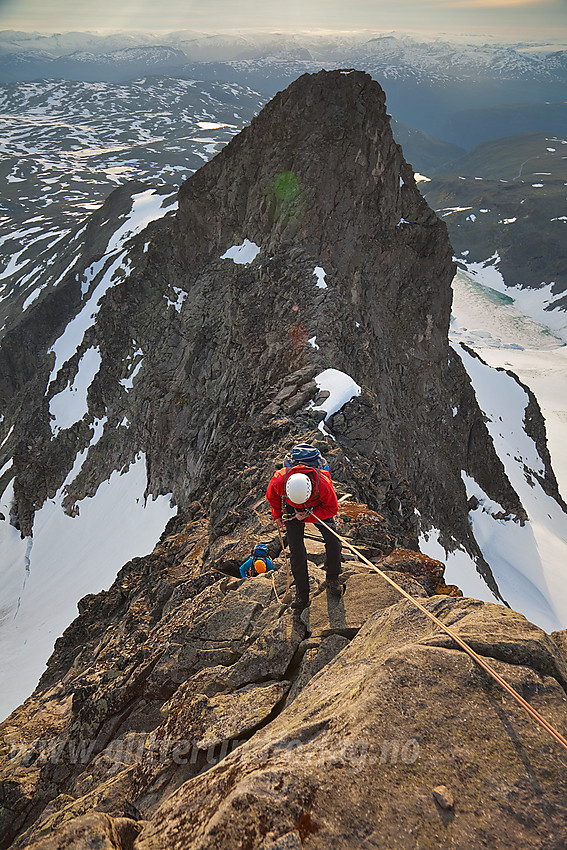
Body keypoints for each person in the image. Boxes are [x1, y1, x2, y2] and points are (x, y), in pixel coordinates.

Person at [266, 455, 342, 610]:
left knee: (333, 540)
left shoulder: (323, 484)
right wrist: (277, 516)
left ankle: (332, 578)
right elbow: (272, 497)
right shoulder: (279, 480)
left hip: (318, 506)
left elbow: (332, 509)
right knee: (296, 550)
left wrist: (307, 516)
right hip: (291, 508)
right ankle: (302, 594)